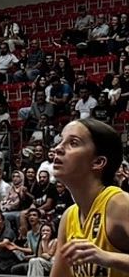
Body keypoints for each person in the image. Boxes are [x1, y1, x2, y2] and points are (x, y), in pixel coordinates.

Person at [51, 117, 129, 276]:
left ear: (98, 162)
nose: (58, 148)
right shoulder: (69, 217)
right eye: (61, 140)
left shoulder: (119, 204)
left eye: (73, 143)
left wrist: (107, 257)